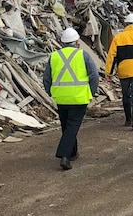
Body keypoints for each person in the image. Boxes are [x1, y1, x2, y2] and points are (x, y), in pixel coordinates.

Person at [43, 28, 99, 170]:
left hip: (61, 97)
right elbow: (94, 75)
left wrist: (50, 92)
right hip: (79, 97)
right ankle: (64, 156)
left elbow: (46, 78)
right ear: (76, 42)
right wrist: (90, 92)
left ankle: (72, 153)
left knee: (66, 126)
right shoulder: (83, 55)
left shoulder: (54, 56)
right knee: (72, 127)